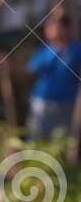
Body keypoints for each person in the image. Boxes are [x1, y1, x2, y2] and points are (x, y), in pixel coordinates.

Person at [26, 13, 81, 141]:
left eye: (52, 27)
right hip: (42, 103)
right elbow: (30, 69)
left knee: (62, 141)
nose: (48, 31)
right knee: (36, 139)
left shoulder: (77, 50)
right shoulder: (45, 50)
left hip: (68, 104)